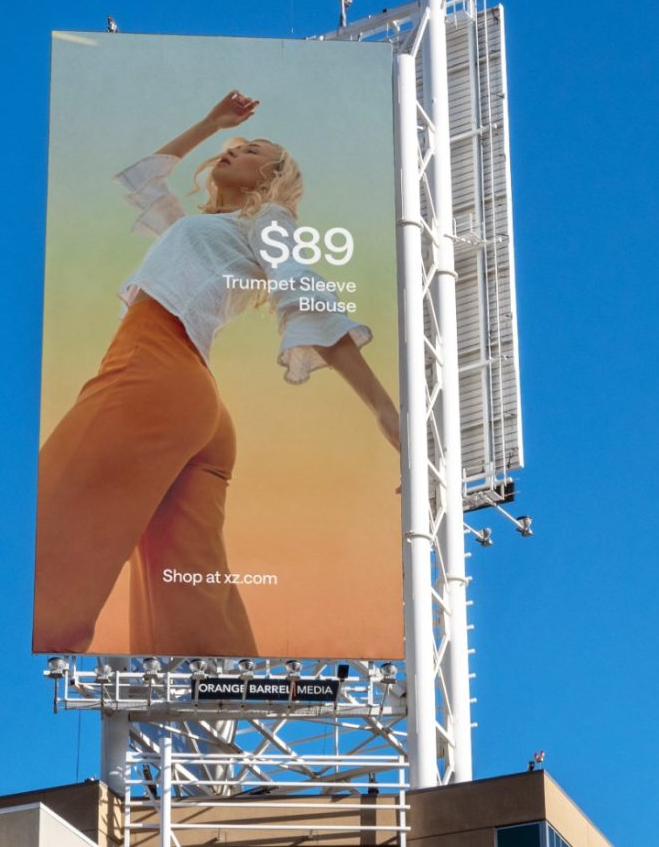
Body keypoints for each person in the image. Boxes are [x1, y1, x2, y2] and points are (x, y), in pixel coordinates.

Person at [34, 89, 398, 656]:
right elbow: (143, 182)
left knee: (50, 537)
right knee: (189, 623)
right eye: (236, 144)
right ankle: (223, 733)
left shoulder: (268, 220)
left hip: (155, 373)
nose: (236, 150)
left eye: (253, 150)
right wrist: (211, 123)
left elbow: (305, 294)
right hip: (189, 401)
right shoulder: (204, 228)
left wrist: (384, 411)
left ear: (272, 177)